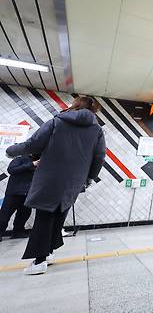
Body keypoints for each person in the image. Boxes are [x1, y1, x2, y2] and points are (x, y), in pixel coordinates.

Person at [5, 96, 105, 275]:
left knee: (44, 218)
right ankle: (49, 252)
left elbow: (33, 144)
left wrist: (10, 151)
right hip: (74, 181)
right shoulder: (96, 130)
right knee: (58, 216)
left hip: (50, 178)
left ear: (75, 105)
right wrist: (89, 178)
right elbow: (99, 157)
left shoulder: (57, 122)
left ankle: (39, 262)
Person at [0, 155, 38, 240]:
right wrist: (31, 164)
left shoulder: (39, 161)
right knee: (4, 215)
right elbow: (11, 170)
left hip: (27, 193)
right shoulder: (20, 159)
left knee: (24, 215)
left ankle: (18, 232)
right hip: (14, 193)